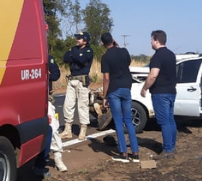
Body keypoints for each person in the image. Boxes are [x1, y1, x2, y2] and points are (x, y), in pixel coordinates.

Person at [100, 32, 140, 163]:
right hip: (126, 87)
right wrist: (117, 46)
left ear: (102, 43)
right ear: (113, 40)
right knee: (128, 120)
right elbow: (127, 63)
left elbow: (106, 78)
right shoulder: (124, 51)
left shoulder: (105, 57)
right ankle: (135, 152)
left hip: (114, 89)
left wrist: (104, 96)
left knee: (118, 121)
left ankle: (123, 153)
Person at [140, 30, 177, 160]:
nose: (150, 42)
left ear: (156, 40)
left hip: (160, 92)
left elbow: (153, 75)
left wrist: (144, 88)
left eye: (151, 40)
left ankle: (167, 150)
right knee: (170, 120)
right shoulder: (171, 55)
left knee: (164, 122)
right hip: (171, 91)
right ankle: (172, 146)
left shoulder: (157, 57)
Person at [34, 54, 67, 177]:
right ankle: (36, 162)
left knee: (52, 128)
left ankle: (58, 157)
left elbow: (56, 74)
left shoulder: (47, 57)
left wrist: (44, 75)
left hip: (45, 97)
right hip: (30, 97)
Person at [60, 32, 94, 140]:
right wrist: (75, 55)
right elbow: (65, 58)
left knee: (82, 106)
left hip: (82, 81)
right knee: (68, 105)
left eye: (79, 38)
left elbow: (82, 60)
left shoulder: (88, 51)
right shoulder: (74, 49)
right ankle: (67, 130)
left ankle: (83, 129)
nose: (77, 40)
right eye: (77, 38)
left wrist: (73, 55)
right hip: (72, 80)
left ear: (85, 40)